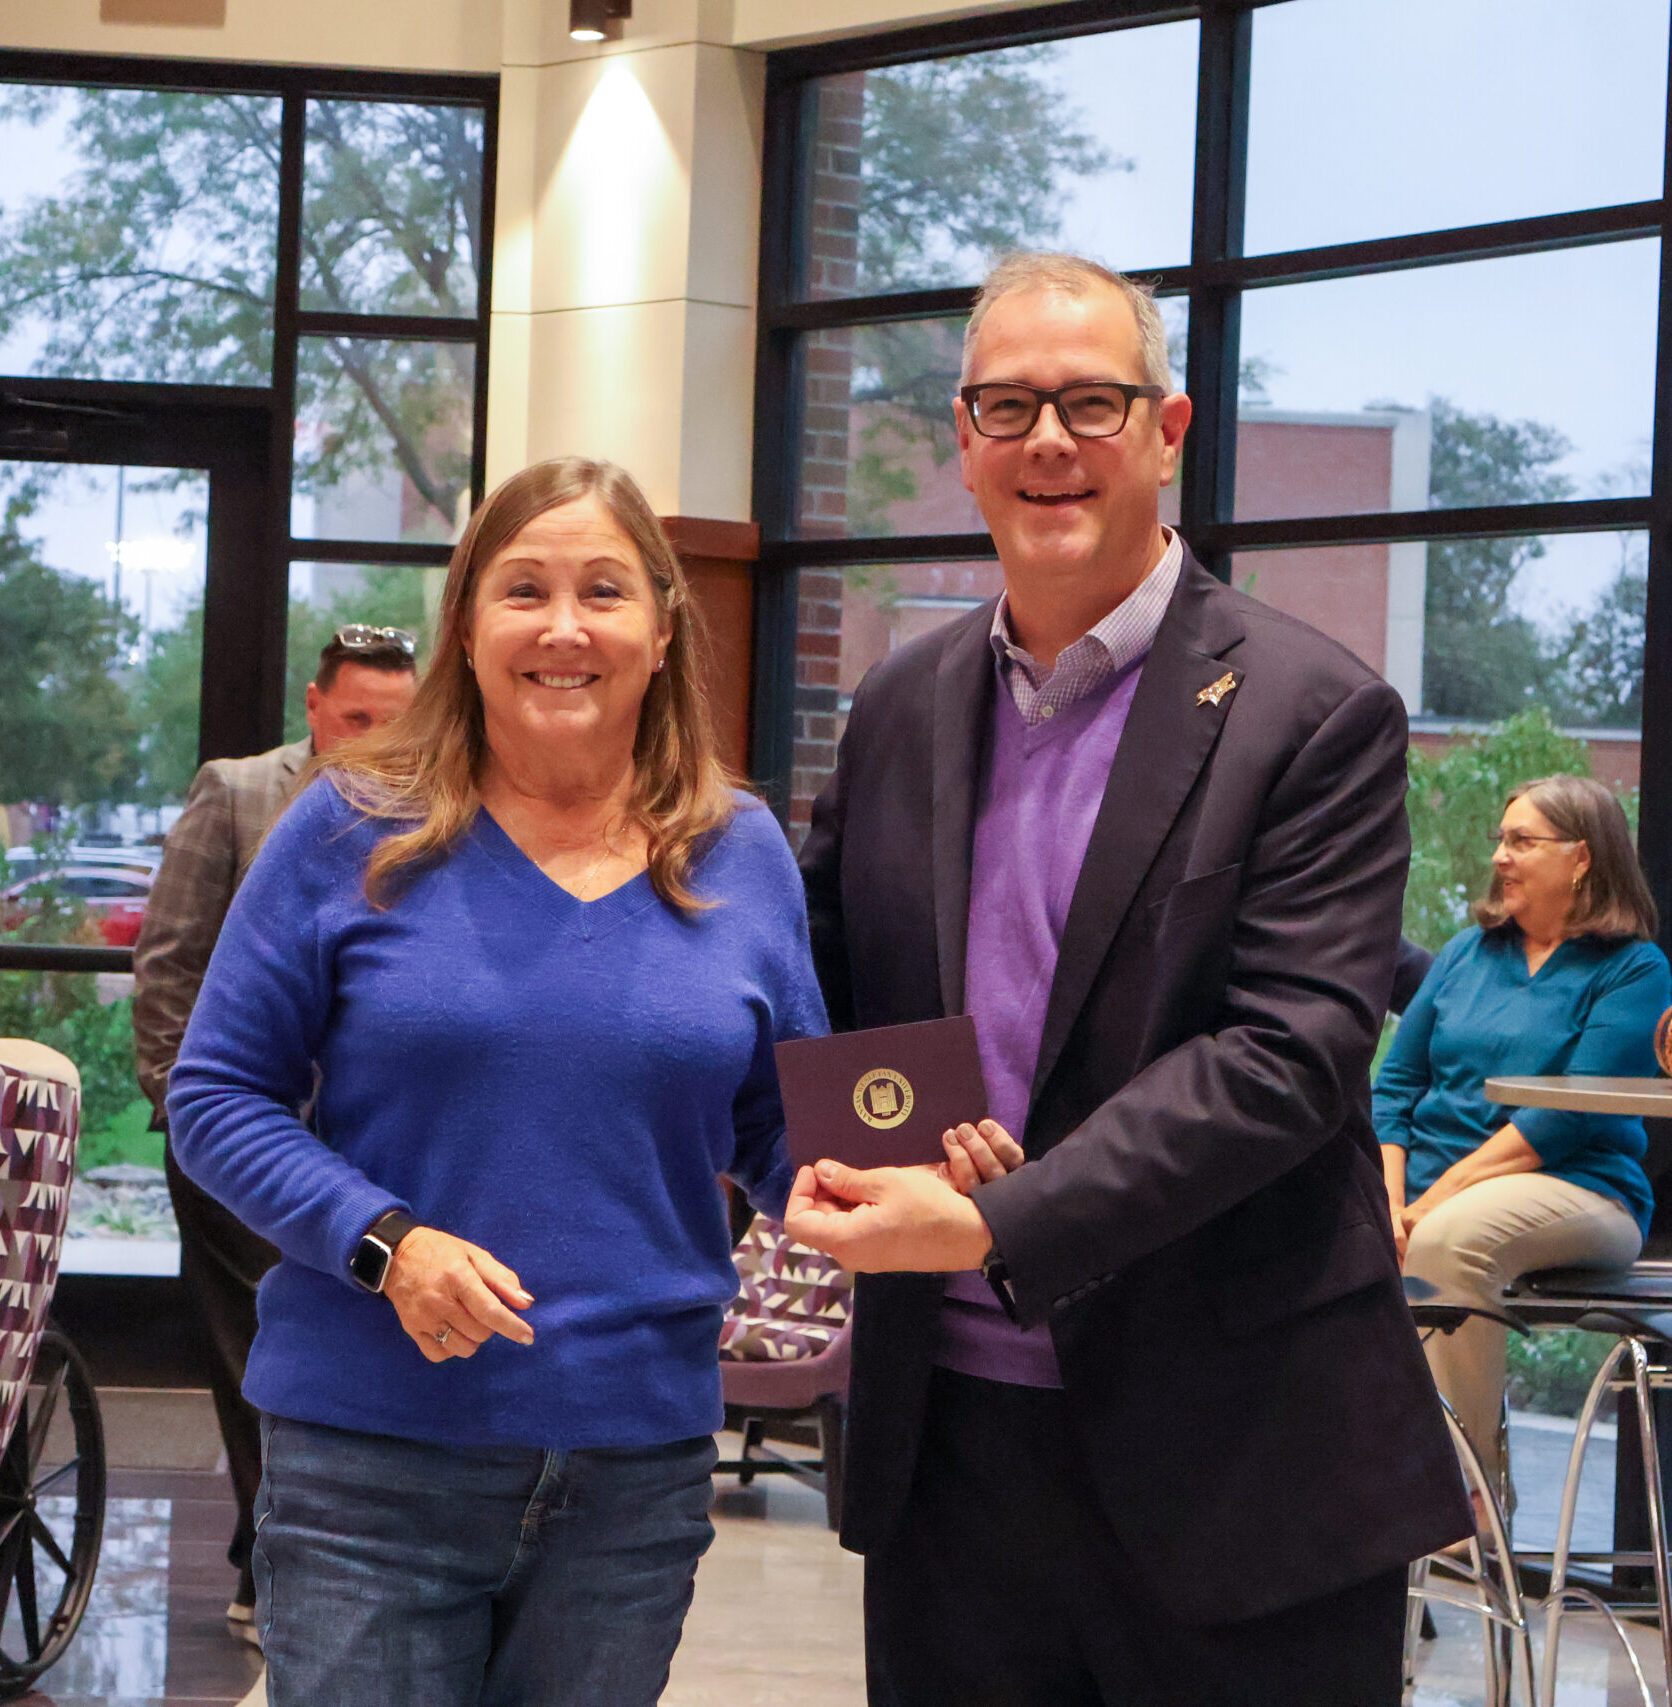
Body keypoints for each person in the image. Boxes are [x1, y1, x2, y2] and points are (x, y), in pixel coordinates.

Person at [784, 251, 1469, 1707]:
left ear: (1166, 431)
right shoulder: (898, 706)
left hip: (1238, 1461)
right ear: (965, 440)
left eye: (1089, 403)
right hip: (947, 1447)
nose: (1047, 441)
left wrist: (995, 1219)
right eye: (1008, 406)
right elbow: (829, 997)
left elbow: (1288, 1055)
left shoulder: (1315, 711)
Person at [165, 457, 826, 1707]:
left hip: (632, 1477)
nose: (564, 627)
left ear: (662, 629)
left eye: (604, 592)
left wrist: (889, 1188)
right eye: (525, 591)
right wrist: (386, 1244)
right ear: (467, 627)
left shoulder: (740, 851)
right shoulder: (347, 827)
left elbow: (780, 1128)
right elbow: (216, 1097)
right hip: (370, 1464)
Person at [131, 623, 418, 1637]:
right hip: (241, 1140)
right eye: (356, 718)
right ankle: (271, 1566)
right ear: (313, 705)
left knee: (345, 1351)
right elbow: (170, 958)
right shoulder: (240, 792)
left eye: (395, 721)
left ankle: (302, 1559)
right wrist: (184, 1103)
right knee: (256, 1346)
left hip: (365, 1152)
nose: (374, 741)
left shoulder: (432, 806)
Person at [1376, 774, 1671, 1502]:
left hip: (1580, 1191)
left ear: (1581, 856)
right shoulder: (1465, 953)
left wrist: (1426, 1207)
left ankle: (1463, 1500)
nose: (1500, 857)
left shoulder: (1633, 968)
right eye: (1499, 840)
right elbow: (1396, 1085)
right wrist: (1387, 1202)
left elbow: (1566, 1117)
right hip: (1424, 1199)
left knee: (1451, 1239)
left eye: (1521, 841)